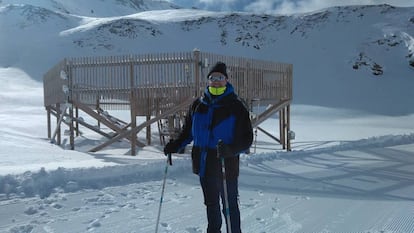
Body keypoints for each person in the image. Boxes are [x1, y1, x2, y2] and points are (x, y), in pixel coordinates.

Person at [164, 61, 253, 233]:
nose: (216, 81)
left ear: (226, 80)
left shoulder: (236, 106)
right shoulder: (198, 104)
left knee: (229, 206)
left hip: (225, 164)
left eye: (220, 77)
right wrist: (175, 145)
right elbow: (188, 132)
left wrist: (231, 149)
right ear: (208, 81)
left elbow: (247, 139)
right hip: (204, 164)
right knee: (211, 204)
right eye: (212, 78)